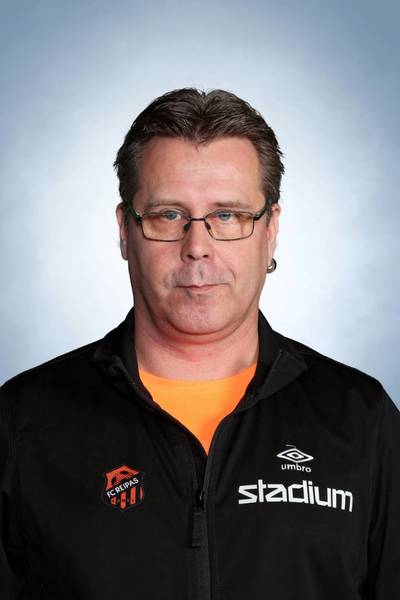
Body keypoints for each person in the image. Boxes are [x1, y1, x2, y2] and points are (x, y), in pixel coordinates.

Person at [0, 88, 399, 600]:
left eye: (228, 215)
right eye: (168, 215)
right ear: (125, 231)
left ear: (271, 230)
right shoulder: (23, 422)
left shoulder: (361, 419)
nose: (197, 247)